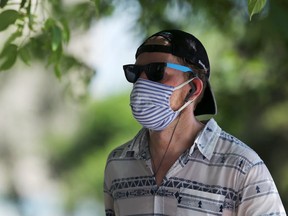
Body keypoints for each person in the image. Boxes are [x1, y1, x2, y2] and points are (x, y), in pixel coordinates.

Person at [104, 30, 286, 216]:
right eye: (134, 73)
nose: (141, 82)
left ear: (193, 88)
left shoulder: (243, 167)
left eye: (156, 71)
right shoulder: (117, 163)